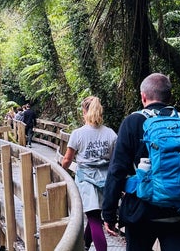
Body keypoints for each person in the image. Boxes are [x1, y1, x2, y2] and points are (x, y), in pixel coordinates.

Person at [102, 73, 180, 250]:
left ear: (143, 96)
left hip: (141, 211)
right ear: (169, 97)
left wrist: (109, 213)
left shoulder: (133, 122)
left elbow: (117, 170)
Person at [61, 96, 117, 251]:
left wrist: (60, 172)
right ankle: (85, 245)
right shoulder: (111, 134)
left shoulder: (78, 134)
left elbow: (67, 159)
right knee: (96, 215)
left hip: (86, 180)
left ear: (84, 112)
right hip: (106, 180)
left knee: (93, 218)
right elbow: (115, 159)